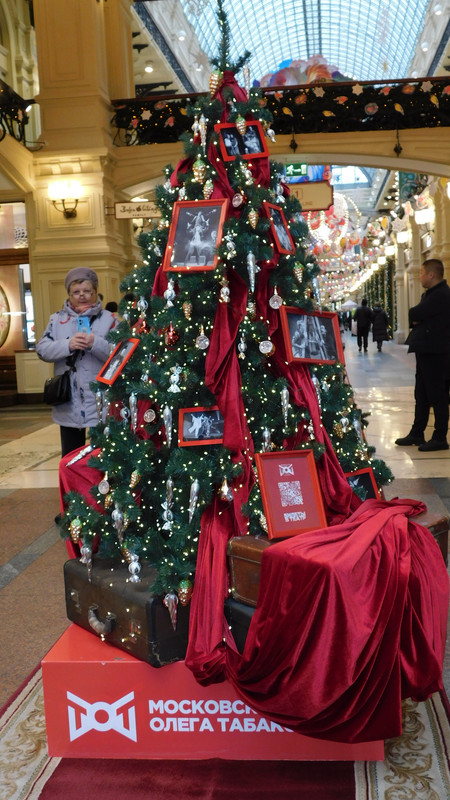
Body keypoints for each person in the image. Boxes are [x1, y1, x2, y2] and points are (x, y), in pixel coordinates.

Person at [36, 267, 118, 457]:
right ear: (69, 294)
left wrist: (95, 343)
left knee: (102, 458)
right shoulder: (56, 320)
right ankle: (75, 488)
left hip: (101, 401)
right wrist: (68, 345)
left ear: (95, 292)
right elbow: (42, 350)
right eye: (76, 292)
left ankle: (100, 487)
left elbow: (120, 355)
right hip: (69, 403)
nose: (82, 296)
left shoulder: (109, 320)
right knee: (70, 459)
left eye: (87, 291)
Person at [395, 258, 450, 451]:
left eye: (422, 273)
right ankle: (417, 433)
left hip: (436, 352)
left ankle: (440, 437)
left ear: (431, 275)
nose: (420, 277)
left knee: (438, 396)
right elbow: (417, 316)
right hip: (426, 350)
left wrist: (418, 316)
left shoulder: (441, 295)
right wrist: (419, 317)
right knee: (422, 394)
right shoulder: (431, 294)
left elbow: (415, 313)